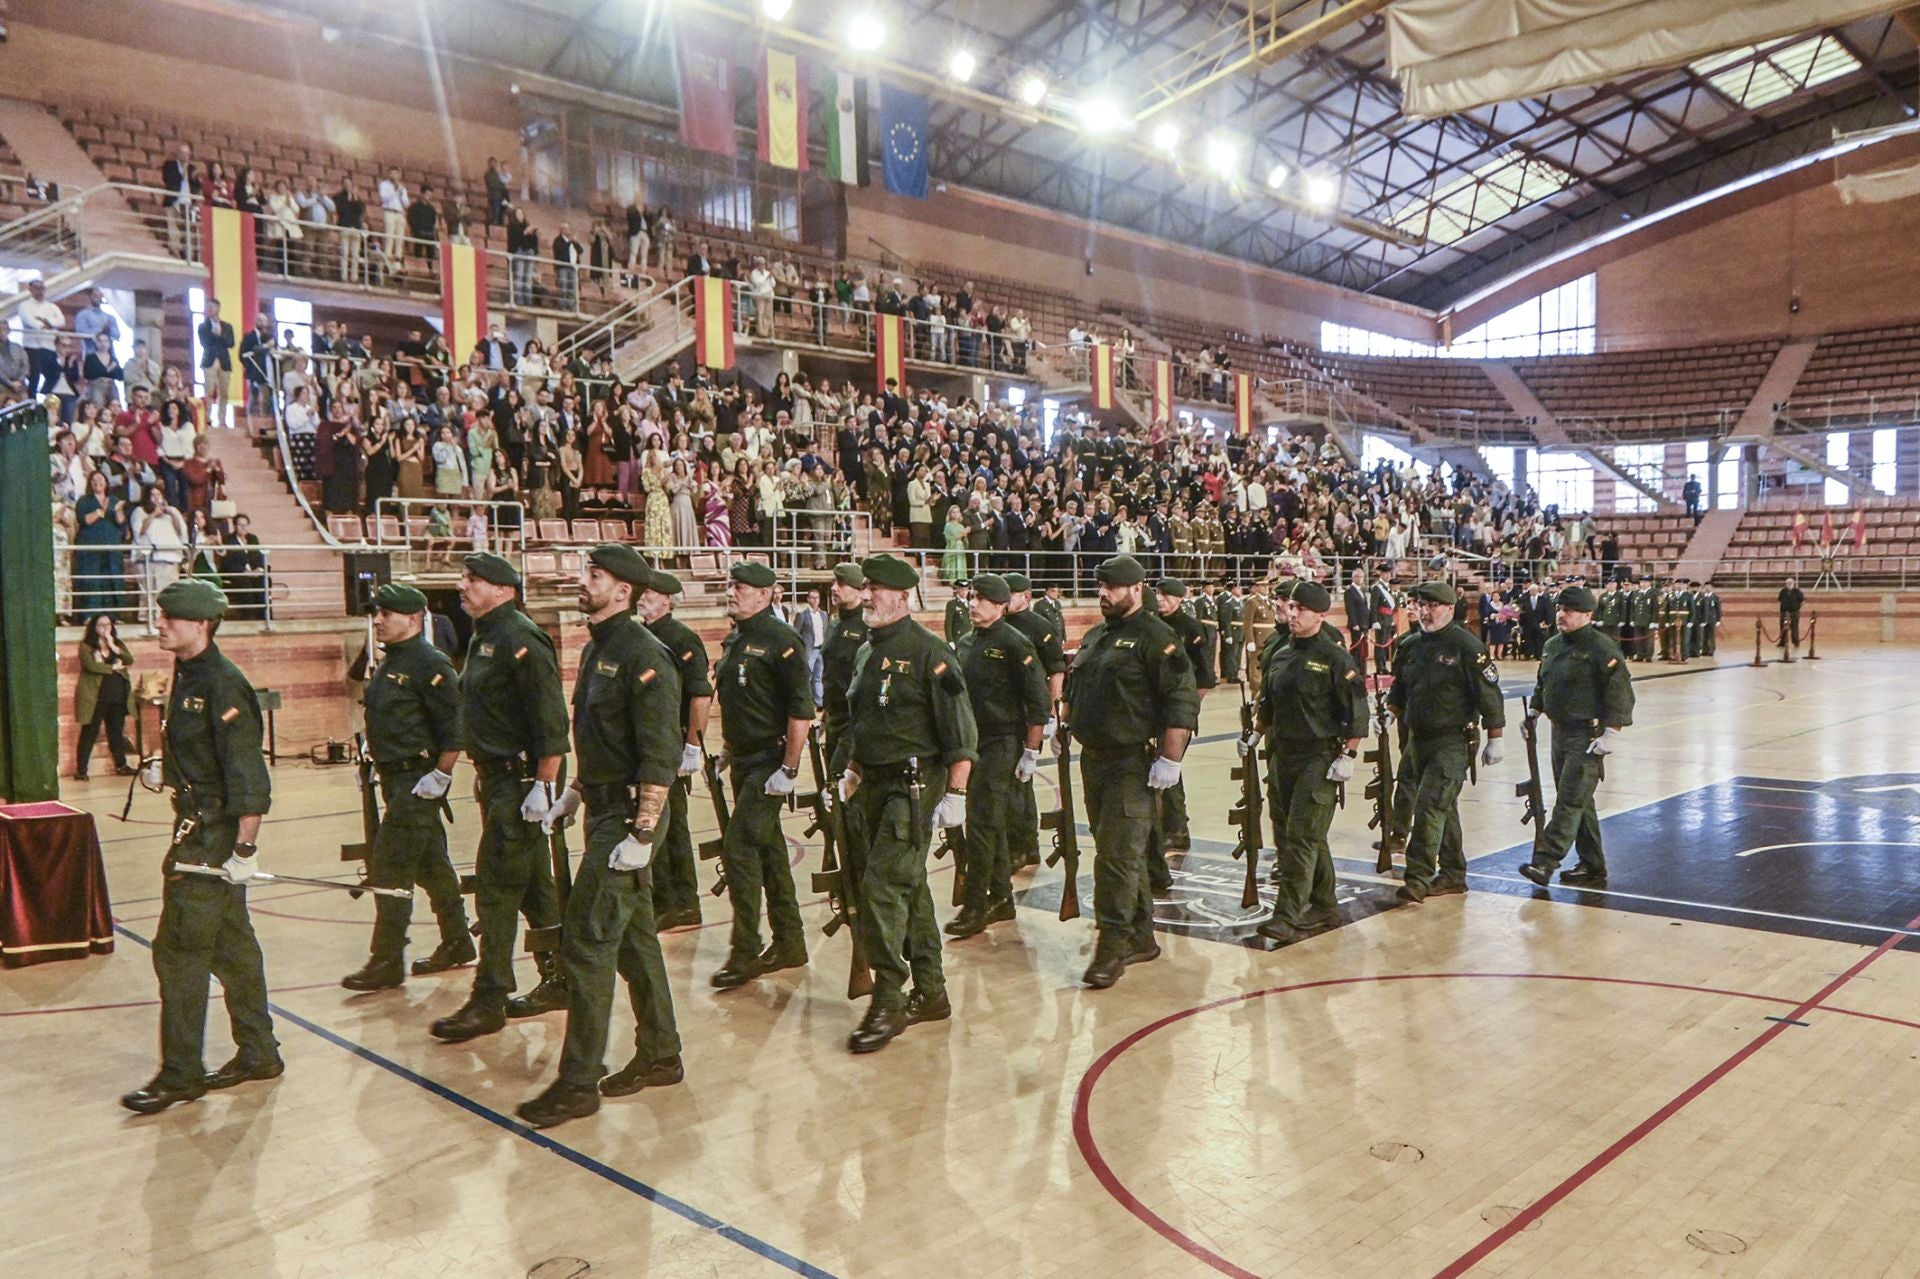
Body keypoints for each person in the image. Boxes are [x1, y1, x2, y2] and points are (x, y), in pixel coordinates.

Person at [516, 545, 684, 1129]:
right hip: (602, 810)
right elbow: (602, 739)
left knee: (587, 944)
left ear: (624, 591)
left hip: (632, 818)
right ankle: (662, 1053)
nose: (581, 582)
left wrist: (642, 830)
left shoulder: (646, 657)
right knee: (634, 940)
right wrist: (572, 795)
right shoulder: (596, 649)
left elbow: (658, 755)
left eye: (595, 576)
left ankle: (577, 1082)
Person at [121, 579, 279, 1113]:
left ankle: (181, 1074)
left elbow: (249, 780)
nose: (159, 623)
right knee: (232, 949)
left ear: (201, 625)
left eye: (170, 617)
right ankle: (260, 1052)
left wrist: (245, 852)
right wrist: (170, 772)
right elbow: (205, 755)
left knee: (179, 954)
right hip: (197, 827)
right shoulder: (188, 674)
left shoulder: (223, 684)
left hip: (211, 840)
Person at [833, 554, 977, 1051]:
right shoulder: (867, 651)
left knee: (880, 889)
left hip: (912, 789)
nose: (866, 595)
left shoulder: (930, 653)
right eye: (865, 586)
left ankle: (889, 999)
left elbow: (960, 733)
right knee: (908, 886)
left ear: (902, 596)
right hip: (872, 785)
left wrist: (956, 794)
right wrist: (851, 770)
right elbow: (863, 721)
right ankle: (931, 992)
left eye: (874, 588)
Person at [430, 553, 572, 1043]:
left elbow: (552, 723)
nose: (462, 586)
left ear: (504, 589)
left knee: (495, 890)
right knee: (533, 886)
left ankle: (489, 997)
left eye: (473, 580)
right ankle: (561, 978)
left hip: (522, 781)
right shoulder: (486, 635)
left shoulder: (520, 637)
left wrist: (542, 786)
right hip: (499, 779)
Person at [1057, 555, 1198, 989]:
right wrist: (1064, 719)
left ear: (1137, 589)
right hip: (1094, 759)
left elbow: (1180, 703)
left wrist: (1170, 760)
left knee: (1115, 858)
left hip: (1131, 763)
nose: (1103, 594)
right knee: (1118, 851)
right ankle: (1140, 935)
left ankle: (1112, 943)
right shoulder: (1098, 635)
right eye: (1100, 586)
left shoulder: (1158, 638)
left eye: (1112, 587)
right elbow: (1078, 686)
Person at [340, 583, 476, 991]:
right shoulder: (389, 661)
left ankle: (386, 959)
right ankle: (458, 941)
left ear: (413, 619)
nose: (378, 621)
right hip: (392, 776)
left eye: (387, 614)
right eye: (377, 613)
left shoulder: (430, 663)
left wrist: (441, 775)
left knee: (390, 868)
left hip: (417, 781)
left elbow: (454, 729)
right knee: (432, 866)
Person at [709, 560, 815, 989]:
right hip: (744, 760)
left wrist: (789, 768)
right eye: (731, 584)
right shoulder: (736, 638)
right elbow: (740, 704)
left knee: (739, 849)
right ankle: (790, 941)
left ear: (766, 594)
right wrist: (728, 751)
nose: (732, 592)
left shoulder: (782, 639)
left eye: (742, 586)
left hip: (771, 762)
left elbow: (800, 711)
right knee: (769, 852)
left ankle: (745, 950)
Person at [1252, 581, 1368, 945]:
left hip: (1319, 756)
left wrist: (1349, 754)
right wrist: (1256, 732)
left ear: (1320, 615)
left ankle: (1287, 915)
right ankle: (1325, 904)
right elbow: (1269, 701)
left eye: (1302, 609)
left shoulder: (1335, 658)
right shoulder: (1281, 652)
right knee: (1299, 834)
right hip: (1283, 753)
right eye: (1291, 606)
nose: (1293, 613)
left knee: (1301, 836)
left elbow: (1356, 712)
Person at [1386, 580, 1505, 904]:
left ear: (1449, 609)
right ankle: (1453, 874)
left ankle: (1418, 878)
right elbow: (1401, 686)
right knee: (1443, 806)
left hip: (1453, 740)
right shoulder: (1410, 645)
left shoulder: (1467, 646)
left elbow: (1489, 694)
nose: (1425, 612)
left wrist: (1495, 737)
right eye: (1421, 605)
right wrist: (1391, 711)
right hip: (1418, 739)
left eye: (1432, 606)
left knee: (1429, 807)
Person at [947, 574, 1047, 939]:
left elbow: (1038, 702)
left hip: (1002, 742)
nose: (973, 604)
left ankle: (976, 906)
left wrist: (1031, 751)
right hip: (971, 743)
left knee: (982, 824)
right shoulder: (965, 642)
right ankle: (1002, 899)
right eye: (972, 598)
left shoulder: (1015, 643)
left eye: (983, 600)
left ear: (1002, 606)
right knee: (986, 824)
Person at [1517, 586, 1635, 889]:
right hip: (1559, 733)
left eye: (1569, 611)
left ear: (1587, 615)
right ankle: (1593, 865)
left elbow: (1620, 693)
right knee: (1581, 802)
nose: (1561, 615)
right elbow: (1545, 681)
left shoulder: (1602, 648)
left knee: (1569, 801)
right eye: (1560, 609)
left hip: (1587, 736)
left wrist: (1611, 732)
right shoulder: (1553, 645)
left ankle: (1545, 862)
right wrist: (1535, 710)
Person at [635, 566, 713, 932]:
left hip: (674, 743)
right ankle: (663, 898)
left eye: (649, 593)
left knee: (673, 826)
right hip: (650, 744)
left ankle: (683, 901)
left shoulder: (682, 638)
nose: (642, 598)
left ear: (667, 599)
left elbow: (700, 694)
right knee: (652, 824)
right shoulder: (641, 636)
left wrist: (693, 745)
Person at [1001, 571, 1065, 872]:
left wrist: (1052, 713)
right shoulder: (998, 625)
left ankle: (1024, 845)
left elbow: (1055, 670)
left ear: (1025, 596)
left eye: (1010, 594)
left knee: (1018, 783)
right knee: (1015, 784)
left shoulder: (1039, 626)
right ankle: (1025, 845)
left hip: (1029, 713)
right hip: (1004, 711)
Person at [1151, 579, 1215, 856]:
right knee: (1155, 772)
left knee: (1169, 769)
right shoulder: (1152, 624)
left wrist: (1187, 709)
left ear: (1180, 598)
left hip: (1177, 713)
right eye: (1158, 594)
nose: (1161, 599)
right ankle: (1164, 827)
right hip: (1153, 710)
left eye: (1167, 595)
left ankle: (1176, 829)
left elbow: (1205, 676)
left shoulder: (1191, 628)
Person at [73, 615, 136, 780]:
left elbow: (129, 660)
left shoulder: (117, 644)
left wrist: (113, 647)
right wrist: (113, 667)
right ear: (94, 627)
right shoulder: (86, 646)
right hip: (96, 697)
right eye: (101, 625)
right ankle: (81, 771)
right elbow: (91, 666)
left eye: (108, 625)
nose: (105, 628)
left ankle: (121, 765)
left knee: (116, 732)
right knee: (89, 733)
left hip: (117, 695)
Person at [197, 298, 237, 427]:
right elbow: (205, 343)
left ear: (218, 308)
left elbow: (231, 343)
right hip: (210, 361)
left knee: (224, 392)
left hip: (224, 361)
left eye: (211, 307)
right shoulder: (203, 326)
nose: (209, 309)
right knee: (208, 390)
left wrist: (220, 335)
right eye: (207, 307)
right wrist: (214, 334)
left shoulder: (227, 326)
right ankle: (207, 418)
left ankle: (222, 419)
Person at [1779, 577, 1805, 652]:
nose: (1789, 584)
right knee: (1782, 627)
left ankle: (1796, 642)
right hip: (1784, 611)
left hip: (1794, 612)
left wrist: (1797, 608)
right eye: (1787, 583)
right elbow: (1780, 600)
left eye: (1790, 583)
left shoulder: (1798, 591)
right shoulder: (1783, 591)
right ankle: (1782, 642)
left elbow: (1802, 601)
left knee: (1794, 627)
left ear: (1794, 583)